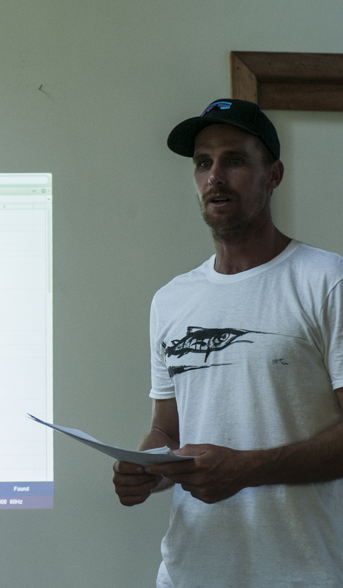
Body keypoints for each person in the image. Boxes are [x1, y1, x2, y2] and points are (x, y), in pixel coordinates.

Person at [112, 99, 343, 587]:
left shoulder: (327, 281)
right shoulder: (172, 300)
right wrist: (147, 469)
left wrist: (247, 469)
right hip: (190, 573)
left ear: (273, 175)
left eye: (233, 160)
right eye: (203, 163)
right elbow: (167, 430)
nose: (214, 177)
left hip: (303, 574)